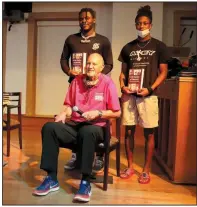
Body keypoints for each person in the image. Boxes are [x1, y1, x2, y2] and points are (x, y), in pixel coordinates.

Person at [33, 53, 120, 202]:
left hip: (97, 127)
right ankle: (51, 177)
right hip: (76, 126)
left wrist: (98, 112)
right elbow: (68, 105)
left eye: (94, 64)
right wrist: (63, 114)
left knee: (88, 131)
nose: (90, 66)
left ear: (101, 68)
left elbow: (117, 112)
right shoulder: (76, 81)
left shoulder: (107, 83)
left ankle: (85, 181)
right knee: (49, 128)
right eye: (88, 64)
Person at [118, 5, 170, 184]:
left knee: (149, 133)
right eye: (139, 24)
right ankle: (130, 166)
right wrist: (122, 86)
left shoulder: (159, 46)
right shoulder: (127, 47)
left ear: (151, 25)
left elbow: (164, 72)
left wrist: (151, 88)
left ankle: (146, 170)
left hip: (148, 96)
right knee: (128, 132)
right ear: (135, 25)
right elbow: (123, 73)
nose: (142, 26)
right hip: (130, 96)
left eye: (145, 23)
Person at [60, 8, 113, 173]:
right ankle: (76, 155)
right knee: (75, 118)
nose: (84, 20)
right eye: (81, 18)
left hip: (97, 87)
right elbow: (63, 59)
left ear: (94, 20)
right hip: (77, 86)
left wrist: (95, 77)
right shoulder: (71, 39)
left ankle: (99, 157)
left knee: (96, 120)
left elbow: (109, 64)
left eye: (87, 18)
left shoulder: (103, 41)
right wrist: (69, 72)